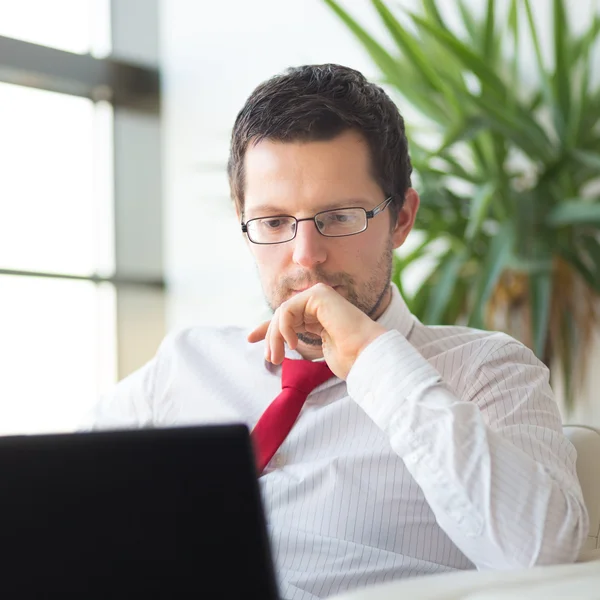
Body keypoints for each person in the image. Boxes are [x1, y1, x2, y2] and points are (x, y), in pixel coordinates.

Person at [89, 64, 589, 600]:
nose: (306, 257)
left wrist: (375, 360)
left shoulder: (488, 370)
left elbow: (543, 557)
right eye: (275, 223)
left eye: (341, 216)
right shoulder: (186, 364)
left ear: (401, 219)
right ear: (243, 220)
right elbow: (54, 504)